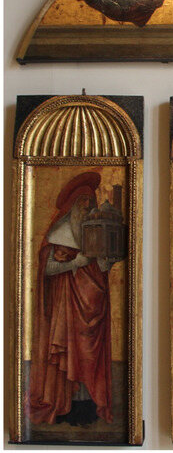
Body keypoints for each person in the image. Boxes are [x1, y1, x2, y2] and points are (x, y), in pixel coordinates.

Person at [26, 172, 115, 426]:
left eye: (90, 204)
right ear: (72, 207)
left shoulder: (94, 231)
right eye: (82, 203)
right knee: (69, 351)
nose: (86, 208)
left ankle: (88, 406)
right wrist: (75, 262)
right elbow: (47, 269)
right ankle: (64, 404)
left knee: (87, 354)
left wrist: (106, 262)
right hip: (66, 306)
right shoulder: (59, 234)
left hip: (92, 305)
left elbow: (100, 267)